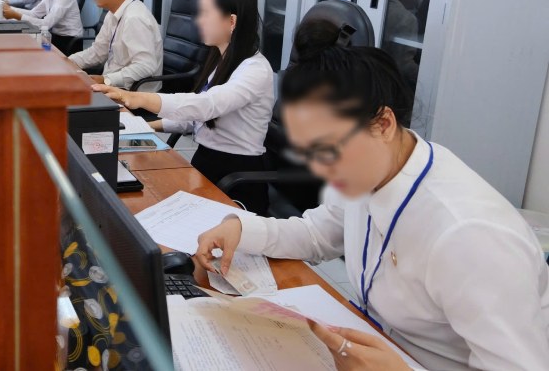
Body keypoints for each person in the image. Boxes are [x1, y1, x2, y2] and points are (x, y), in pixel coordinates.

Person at [194, 40, 549, 370]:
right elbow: (318, 234)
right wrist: (243, 228)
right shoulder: (370, 170)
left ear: (383, 124)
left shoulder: (468, 236)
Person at [92, 0, 275, 214]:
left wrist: (137, 98)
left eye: (205, 13)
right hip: (207, 163)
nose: (198, 20)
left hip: (237, 178)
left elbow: (206, 106)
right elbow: (195, 120)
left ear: (231, 21)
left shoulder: (255, 70)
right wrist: (145, 127)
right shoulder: (222, 61)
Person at [68, 0, 162, 90]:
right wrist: (68, 61)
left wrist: (106, 80)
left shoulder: (135, 18)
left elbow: (146, 66)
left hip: (132, 93)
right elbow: (98, 51)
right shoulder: (113, 13)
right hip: (113, 86)